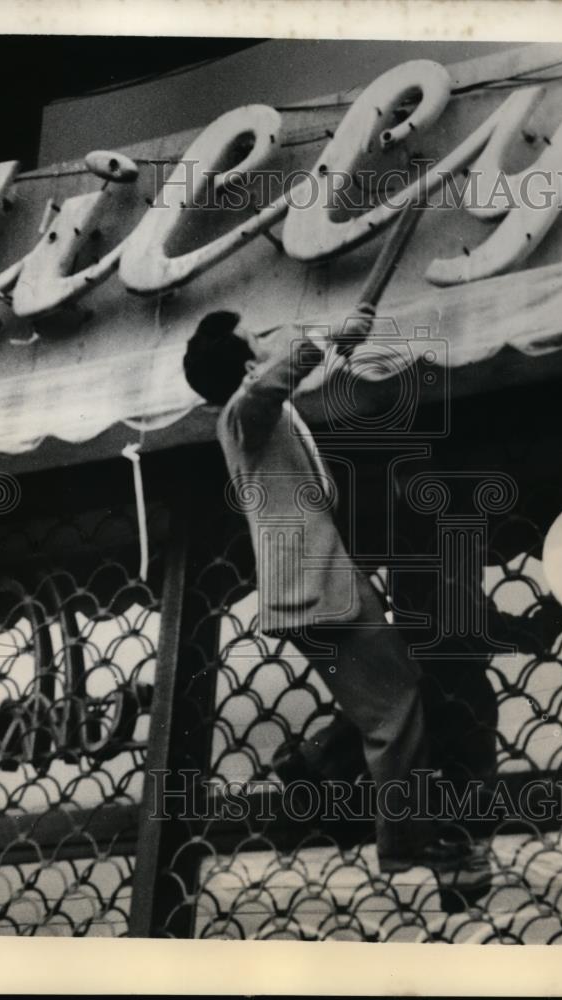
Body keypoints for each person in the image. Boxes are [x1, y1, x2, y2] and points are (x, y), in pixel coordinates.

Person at [182, 307, 490, 882]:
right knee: (395, 712)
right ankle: (404, 843)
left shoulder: (258, 419)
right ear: (249, 364)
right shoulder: (241, 414)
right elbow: (270, 384)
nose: (274, 339)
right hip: (316, 591)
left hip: (319, 587)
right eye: (262, 337)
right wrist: (328, 336)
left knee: (395, 698)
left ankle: (317, 766)